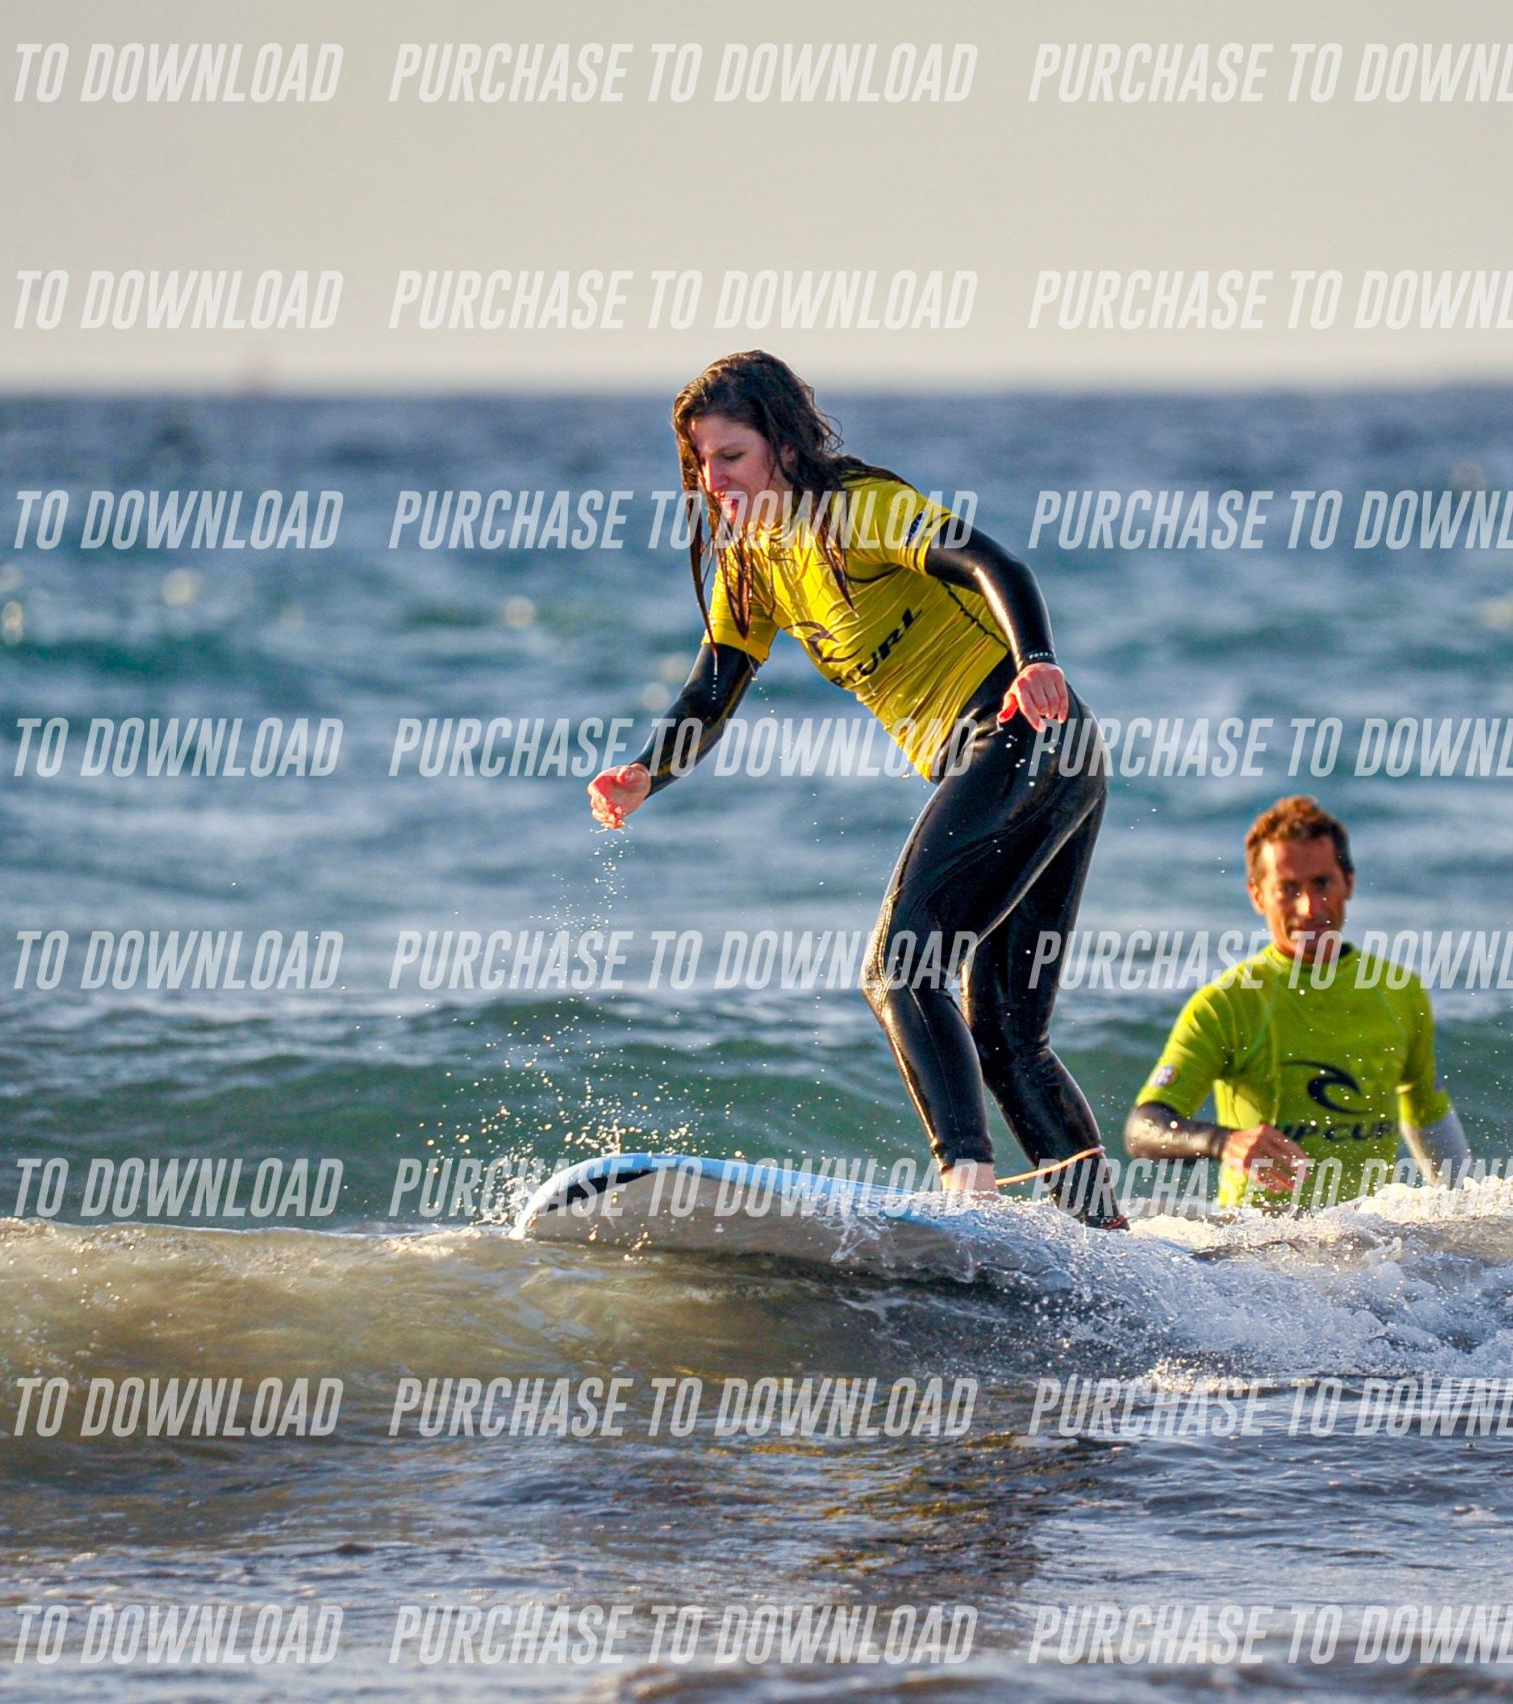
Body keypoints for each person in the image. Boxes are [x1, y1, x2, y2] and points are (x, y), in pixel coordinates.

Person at [588, 351, 1125, 1228]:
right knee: (1005, 1036)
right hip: (1037, 759)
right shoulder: (751, 563)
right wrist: (649, 769)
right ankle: (1103, 1236)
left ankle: (967, 1192)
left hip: (1024, 732)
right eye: (702, 461)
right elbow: (713, 687)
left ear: (783, 444)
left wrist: (1036, 659)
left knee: (900, 966)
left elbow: (994, 565)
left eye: (731, 456)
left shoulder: (857, 510)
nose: (714, 480)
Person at [1125, 796, 1468, 1211]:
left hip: (1375, 1241)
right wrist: (1223, 1142)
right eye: (1288, 889)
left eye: (1322, 884)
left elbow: (1428, 1115)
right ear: (1258, 896)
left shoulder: (1400, 990)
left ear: (1348, 883)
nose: (1309, 907)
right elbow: (1143, 1129)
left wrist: (1461, 1216)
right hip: (1258, 1242)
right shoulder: (1225, 1004)